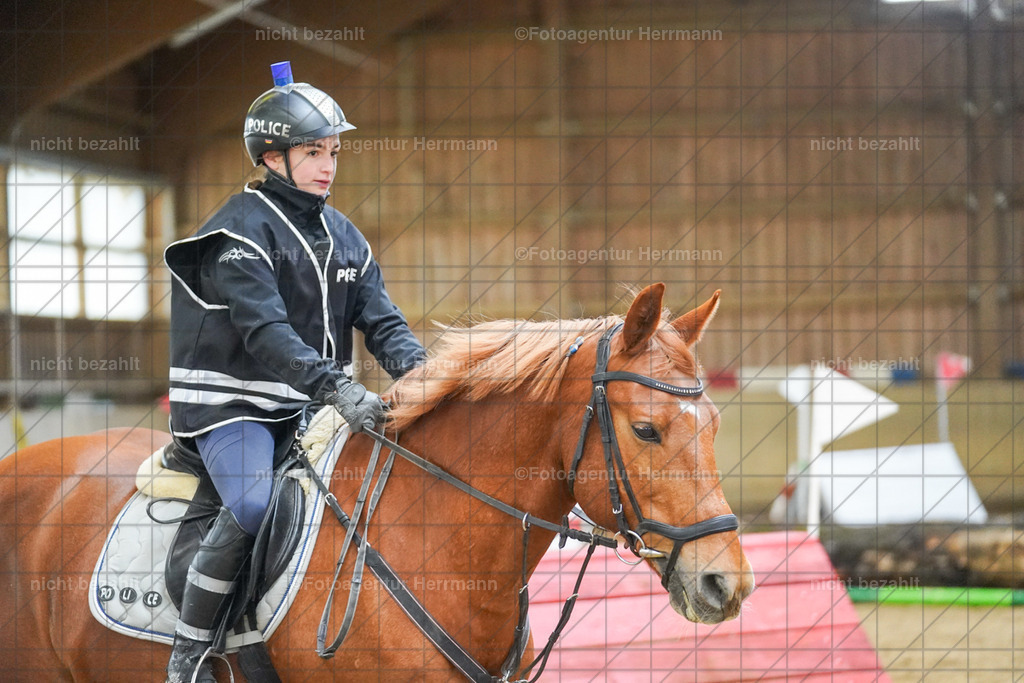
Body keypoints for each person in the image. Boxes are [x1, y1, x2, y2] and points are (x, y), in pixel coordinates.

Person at [162, 61, 425, 683]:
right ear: (272, 156)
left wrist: (420, 376)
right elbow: (267, 333)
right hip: (234, 408)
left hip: (307, 407)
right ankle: (190, 650)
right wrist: (338, 386)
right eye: (313, 150)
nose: (328, 164)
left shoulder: (345, 237)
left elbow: (382, 321)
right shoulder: (236, 233)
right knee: (254, 505)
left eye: (333, 150)